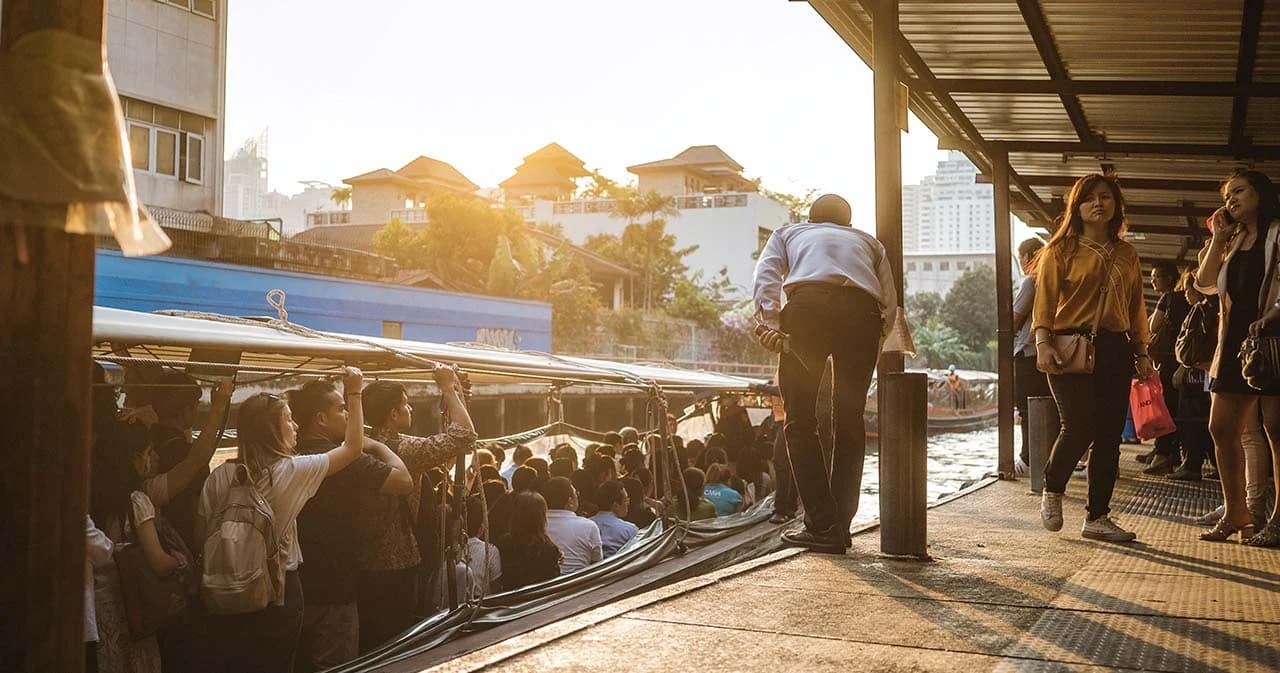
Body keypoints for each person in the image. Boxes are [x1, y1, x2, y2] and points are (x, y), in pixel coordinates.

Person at [196, 368, 371, 673]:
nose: (296, 426)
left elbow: (200, 536)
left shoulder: (219, 476)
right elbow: (352, 448)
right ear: (274, 431)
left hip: (222, 590)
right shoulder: (290, 471)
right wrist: (354, 392)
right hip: (277, 591)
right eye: (289, 420)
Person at [752, 193, 897, 553]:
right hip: (862, 317)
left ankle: (821, 523)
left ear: (810, 220)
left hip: (807, 314)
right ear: (849, 224)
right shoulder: (869, 242)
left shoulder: (788, 233)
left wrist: (770, 324)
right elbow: (889, 301)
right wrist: (874, 339)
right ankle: (840, 525)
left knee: (800, 420)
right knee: (850, 421)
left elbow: (767, 275)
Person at [1034, 174, 1152, 543]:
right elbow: (1045, 301)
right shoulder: (1061, 250)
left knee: (1109, 435)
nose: (1098, 204)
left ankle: (1098, 517)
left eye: (1105, 197)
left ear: (1116, 205)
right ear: (1077, 207)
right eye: (1089, 198)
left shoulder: (1127, 254)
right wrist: (1043, 342)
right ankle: (1053, 488)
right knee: (1078, 425)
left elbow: (1136, 307)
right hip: (1069, 346)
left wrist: (1142, 351)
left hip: (1116, 348)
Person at [92, 381, 233, 673]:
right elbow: (195, 461)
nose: (156, 456)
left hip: (98, 606)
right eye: (149, 452)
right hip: (134, 606)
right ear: (134, 460)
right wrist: (179, 561)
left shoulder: (90, 495)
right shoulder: (142, 497)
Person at [291, 380, 413, 673]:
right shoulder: (344, 461)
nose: (347, 415)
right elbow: (403, 481)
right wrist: (376, 445)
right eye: (341, 409)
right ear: (321, 419)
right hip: (335, 588)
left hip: (295, 588)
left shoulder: (290, 457)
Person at [360, 367, 477, 651]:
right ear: (393, 414)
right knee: (396, 639)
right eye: (405, 404)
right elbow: (465, 435)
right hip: (398, 558)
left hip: (359, 558)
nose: (410, 408)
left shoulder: (355, 445)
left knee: (368, 638)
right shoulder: (405, 450)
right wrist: (447, 388)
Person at [1197, 169, 1280, 545]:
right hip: (1233, 343)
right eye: (1227, 196)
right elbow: (1204, 283)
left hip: (1273, 339)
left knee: (1276, 430)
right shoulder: (1231, 240)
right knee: (1221, 428)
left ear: (1260, 193)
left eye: (1239, 192)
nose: (1231, 200)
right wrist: (1218, 238)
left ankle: (1277, 519)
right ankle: (1236, 512)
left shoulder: (1276, 233)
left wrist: (1274, 315)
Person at [1142, 260, 1190, 475]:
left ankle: (1163, 455)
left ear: (1170, 278)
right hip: (1184, 359)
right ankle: (1169, 453)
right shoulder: (1185, 300)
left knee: (1165, 408)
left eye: (1156, 277)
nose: (1152, 281)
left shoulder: (1169, 298)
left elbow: (1153, 326)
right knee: (1179, 408)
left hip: (1169, 361)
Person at [1012, 238, 1051, 475]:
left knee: (1026, 409)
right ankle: (1042, 458)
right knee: (1046, 408)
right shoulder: (1050, 280)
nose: (1020, 262)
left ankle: (1027, 460)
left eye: (1020, 257)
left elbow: (1015, 317)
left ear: (1028, 256)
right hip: (1046, 352)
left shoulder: (1031, 281)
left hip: (1028, 352)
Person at [496, 492, 562, 590]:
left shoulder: (503, 543)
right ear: (541, 517)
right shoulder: (548, 548)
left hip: (511, 596)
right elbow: (553, 582)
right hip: (541, 597)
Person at [541, 477, 602, 574]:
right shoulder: (588, 526)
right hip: (581, 581)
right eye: (575, 493)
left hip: (543, 582)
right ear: (570, 501)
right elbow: (597, 562)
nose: (577, 496)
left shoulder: (536, 525)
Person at [590, 480, 639, 557]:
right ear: (615, 506)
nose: (628, 503)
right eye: (626, 500)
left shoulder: (585, 526)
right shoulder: (630, 530)